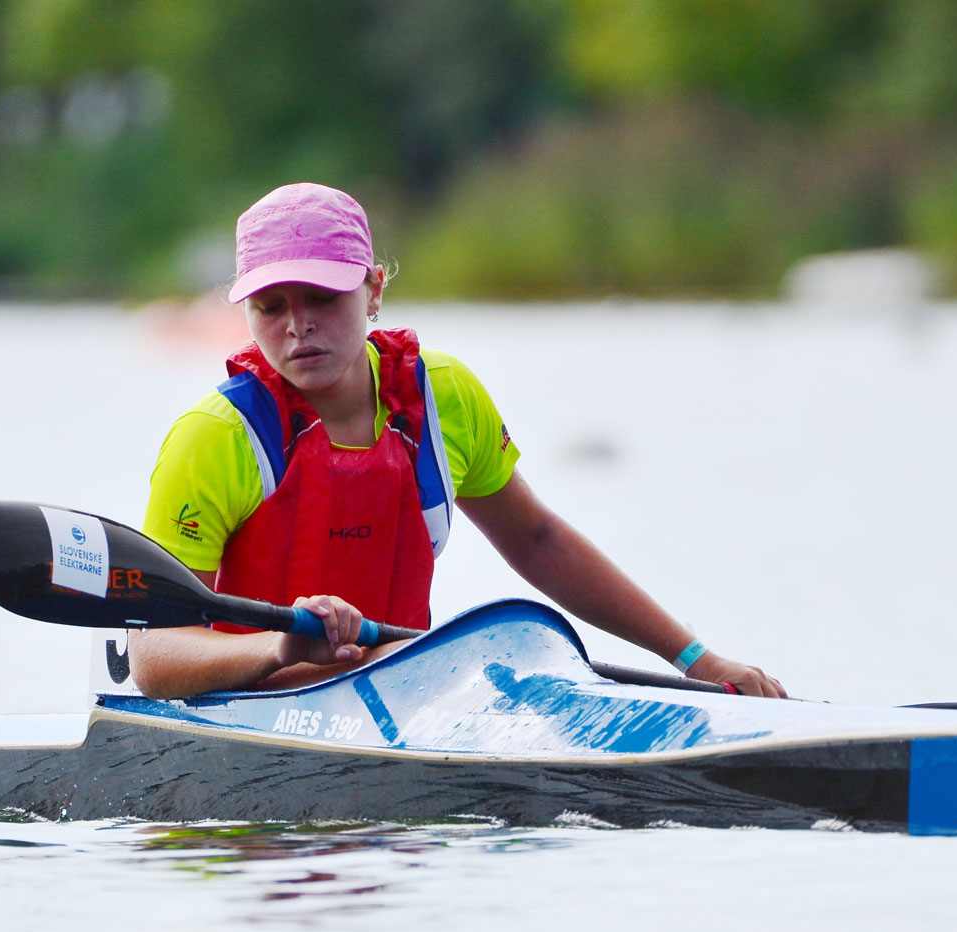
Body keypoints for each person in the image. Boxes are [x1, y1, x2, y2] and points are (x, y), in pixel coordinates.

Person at [128, 182, 785, 700]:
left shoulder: (441, 401)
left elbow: (537, 541)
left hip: (404, 698)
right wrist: (277, 650)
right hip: (249, 711)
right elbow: (153, 658)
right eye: (271, 307)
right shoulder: (215, 438)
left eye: (322, 297)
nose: (298, 328)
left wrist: (694, 659)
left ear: (373, 290)